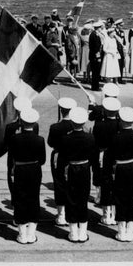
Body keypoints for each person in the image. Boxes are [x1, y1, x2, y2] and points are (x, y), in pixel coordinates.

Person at [57, 106, 97, 243]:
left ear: (72, 123)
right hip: (85, 168)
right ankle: (83, 233)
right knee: (83, 199)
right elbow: (93, 157)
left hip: (71, 169)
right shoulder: (90, 137)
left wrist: (60, 175)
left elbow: (61, 160)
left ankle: (73, 233)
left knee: (71, 200)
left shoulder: (65, 139)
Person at [8, 108, 46, 244]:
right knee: (33, 199)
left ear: (22, 122)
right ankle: (31, 234)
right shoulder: (40, 140)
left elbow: (11, 157)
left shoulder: (14, 139)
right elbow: (42, 160)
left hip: (20, 169)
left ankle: (22, 234)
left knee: (20, 199)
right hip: (34, 170)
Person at [107, 106, 133, 242]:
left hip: (120, 169)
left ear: (120, 120)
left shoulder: (115, 137)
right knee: (132, 198)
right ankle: (130, 230)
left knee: (120, 199)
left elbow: (110, 156)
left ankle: (121, 231)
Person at [48, 96, 77, 226]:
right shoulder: (75, 125)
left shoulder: (55, 127)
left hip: (59, 157)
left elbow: (50, 143)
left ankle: (61, 215)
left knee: (59, 184)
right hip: (73, 158)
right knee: (72, 185)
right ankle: (71, 213)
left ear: (61, 110)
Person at [93, 97, 121, 225]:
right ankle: (114, 214)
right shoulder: (120, 125)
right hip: (117, 157)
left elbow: (95, 142)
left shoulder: (99, 125)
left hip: (103, 155)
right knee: (116, 185)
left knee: (105, 184)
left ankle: (106, 214)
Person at [87, 21, 104, 91]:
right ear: (98, 28)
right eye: (100, 27)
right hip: (95, 56)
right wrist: (98, 57)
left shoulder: (94, 34)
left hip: (93, 55)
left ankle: (95, 86)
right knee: (95, 72)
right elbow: (96, 48)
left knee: (95, 72)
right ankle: (95, 87)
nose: (101, 29)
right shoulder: (94, 35)